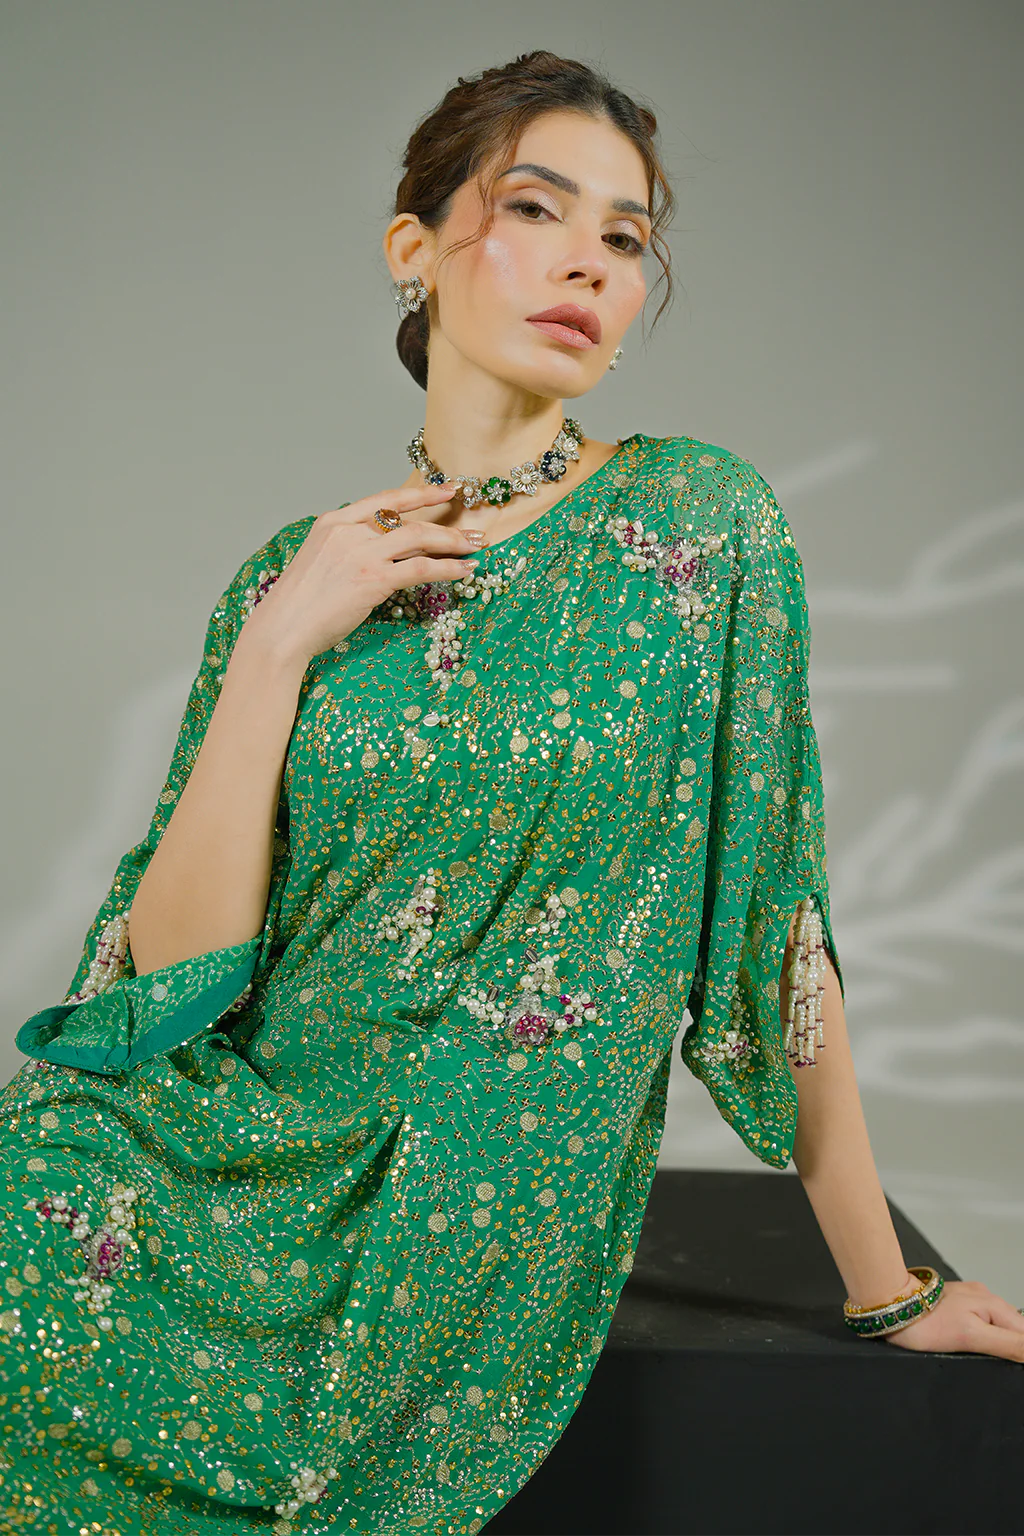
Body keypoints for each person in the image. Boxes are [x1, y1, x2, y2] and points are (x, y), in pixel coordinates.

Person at [1, 46, 1021, 1536]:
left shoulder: (700, 526)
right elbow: (177, 971)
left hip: (484, 1178)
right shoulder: (297, 574)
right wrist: (280, 644)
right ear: (413, 248)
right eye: (537, 210)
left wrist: (887, 1285)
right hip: (245, 1138)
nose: (591, 264)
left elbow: (774, 927)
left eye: (627, 236)